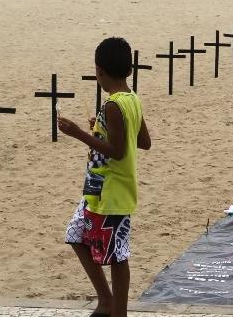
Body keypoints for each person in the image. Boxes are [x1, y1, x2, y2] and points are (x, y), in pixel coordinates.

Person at [61, 37, 151, 317]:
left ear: (99, 71)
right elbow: (144, 140)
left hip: (112, 191)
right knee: (76, 236)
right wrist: (102, 130)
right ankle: (106, 300)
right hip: (97, 191)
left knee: (117, 255)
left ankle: (118, 311)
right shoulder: (132, 99)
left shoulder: (114, 105)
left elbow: (118, 151)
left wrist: (79, 133)